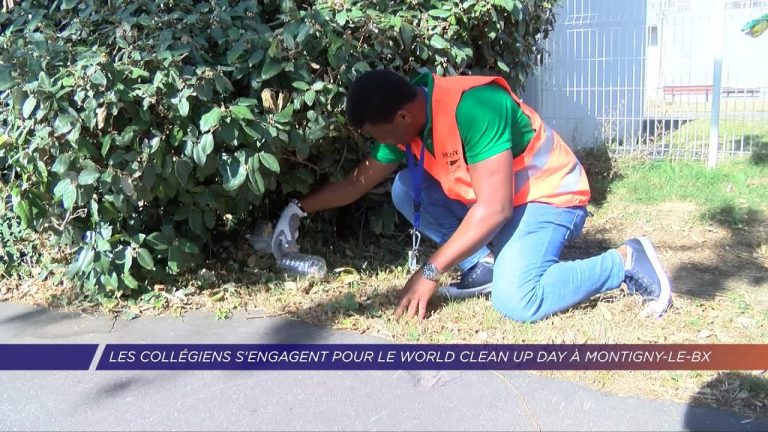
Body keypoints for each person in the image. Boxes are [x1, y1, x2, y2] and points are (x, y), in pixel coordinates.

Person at [270, 68, 672, 322]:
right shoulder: (410, 123)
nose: (377, 144)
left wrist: (431, 272)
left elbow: (494, 208)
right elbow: (358, 182)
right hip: (504, 203)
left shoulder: (475, 105)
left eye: (376, 135)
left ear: (402, 117)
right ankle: (488, 264)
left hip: (550, 197)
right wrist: (297, 209)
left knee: (519, 302)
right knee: (406, 187)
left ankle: (625, 260)